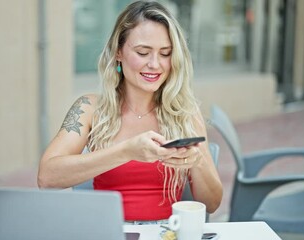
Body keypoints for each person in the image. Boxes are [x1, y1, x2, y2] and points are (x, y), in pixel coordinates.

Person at [38, 0, 222, 223]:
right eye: (143, 52)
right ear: (118, 52)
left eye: (165, 53)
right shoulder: (89, 108)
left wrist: (199, 160)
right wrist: (127, 152)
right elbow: (47, 177)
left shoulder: (184, 112)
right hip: (108, 232)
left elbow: (211, 204)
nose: (155, 64)